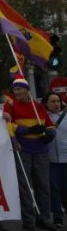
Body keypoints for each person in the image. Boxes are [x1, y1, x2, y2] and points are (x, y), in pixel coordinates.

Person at [3, 76, 56, 231]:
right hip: (23, 149)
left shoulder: (38, 107)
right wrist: (27, 130)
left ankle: (44, 218)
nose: (16, 92)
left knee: (43, 186)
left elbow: (50, 126)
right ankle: (29, 221)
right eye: (14, 89)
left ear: (26, 90)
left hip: (40, 150)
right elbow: (8, 124)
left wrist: (49, 136)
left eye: (19, 89)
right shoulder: (10, 105)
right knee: (25, 187)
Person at [45, 91, 67, 227]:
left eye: (58, 101)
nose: (56, 104)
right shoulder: (42, 117)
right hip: (51, 159)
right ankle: (57, 216)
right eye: (52, 101)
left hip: (66, 158)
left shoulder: (65, 117)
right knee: (54, 189)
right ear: (46, 103)